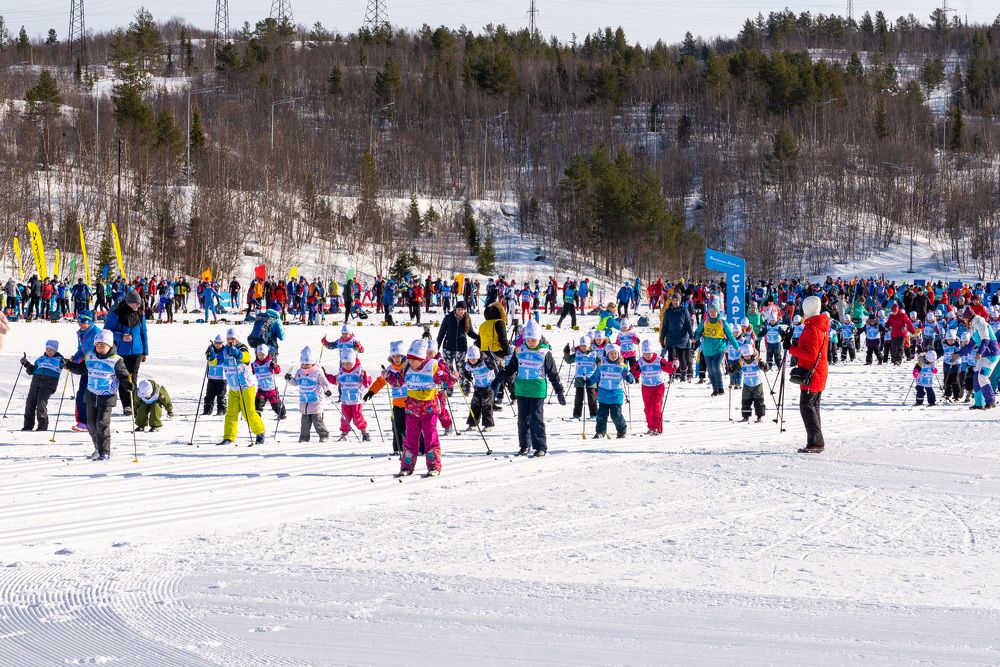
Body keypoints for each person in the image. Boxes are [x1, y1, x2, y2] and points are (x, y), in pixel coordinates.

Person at [493, 319, 566, 456]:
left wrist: (559, 390)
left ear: (539, 339)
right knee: (522, 420)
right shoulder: (519, 350)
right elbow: (511, 369)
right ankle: (524, 445)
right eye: (529, 339)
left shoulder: (545, 352)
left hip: (537, 390)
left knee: (536, 419)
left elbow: (553, 373)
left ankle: (540, 447)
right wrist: (499, 377)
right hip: (521, 389)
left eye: (534, 340)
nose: (531, 342)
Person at [65, 330, 133, 461]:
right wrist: (69, 365)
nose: (100, 348)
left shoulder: (116, 360)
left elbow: (124, 376)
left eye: (103, 345)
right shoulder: (90, 356)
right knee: (91, 425)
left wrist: (127, 384)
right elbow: (81, 370)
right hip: (91, 394)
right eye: (97, 345)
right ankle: (97, 447)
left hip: (107, 396)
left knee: (102, 423)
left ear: (110, 345)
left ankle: (104, 452)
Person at [788, 295, 829, 454]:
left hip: (812, 373)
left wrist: (791, 349)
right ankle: (814, 441)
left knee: (807, 406)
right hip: (818, 371)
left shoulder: (812, 328)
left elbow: (810, 354)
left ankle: (816, 442)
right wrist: (796, 344)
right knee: (813, 406)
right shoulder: (819, 325)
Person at [211, 329, 267, 446]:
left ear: (237, 340)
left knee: (248, 413)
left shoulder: (242, 348)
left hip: (246, 387)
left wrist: (237, 353)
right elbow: (216, 361)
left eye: (232, 339)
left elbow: (246, 358)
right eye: (228, 339)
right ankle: (229, 437)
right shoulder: (225, 350)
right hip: (234, 388)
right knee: (231, 413)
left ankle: (260, 432)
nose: (230, 341)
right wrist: (211, 357)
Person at [399, 339, 444, 476]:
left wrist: (450, 377)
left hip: (429, 408)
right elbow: (398, 380)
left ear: (422, 359)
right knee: (410, 437)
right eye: (411, 359)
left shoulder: (432, 365)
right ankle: (407, 466)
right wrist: (388, 376)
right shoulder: (407, 366)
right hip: (412, 408)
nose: (412, 362)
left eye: (415, 360)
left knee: (430, 436)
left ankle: (433, 466)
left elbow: (445, 379)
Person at [103, 290, 149, 416]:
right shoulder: (116, 314)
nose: (137, 306)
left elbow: (144, 333)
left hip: (136, 352)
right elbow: (107, 333)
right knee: (123, 378)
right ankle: (127, 405)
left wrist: (145, 351)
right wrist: (121, 336)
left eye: (139, 304)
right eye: (135, 304)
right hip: (120, 352)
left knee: (133, 378)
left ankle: (133, 404)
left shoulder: (140, 314)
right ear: (128, 302)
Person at [364, 341, 407, 455]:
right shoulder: (389, 369)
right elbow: (380, 381)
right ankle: (398, 448)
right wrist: (372, 391)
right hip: (397, 404)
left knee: (411, 428)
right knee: (396, 427)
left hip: (410, 403)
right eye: (394, 356)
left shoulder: (408, 366)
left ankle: (420, 448)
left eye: (398, 356)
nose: (396, 359)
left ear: (402, 356)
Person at [285, 346, 333, 442]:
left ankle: (324, 435)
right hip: (304, 402)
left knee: (317, 421)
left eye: (308, 364)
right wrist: (289, 379)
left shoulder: (317, 372)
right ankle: (304, 438)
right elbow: (296, 383)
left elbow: (324, 382)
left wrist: (327, 390)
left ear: (312, 363)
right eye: (303, 363)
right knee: (304, 422)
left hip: (316, 401)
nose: (305, 366)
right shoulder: (299, 372)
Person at [588, 343, 634, 439]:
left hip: (616, 394)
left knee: (616, 415)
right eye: (611, 353)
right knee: (601, 415)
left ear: (618, 354)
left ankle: (622, 431)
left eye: (615, 353)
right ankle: (600, 432)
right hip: (603, 394)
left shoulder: (621, 365)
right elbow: (596, 375)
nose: (613, 355)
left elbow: (630, 380)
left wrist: (625, 370)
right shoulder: (602, 364)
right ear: (607, 354)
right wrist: (588, 381)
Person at [693, 304, 740, 397]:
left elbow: (730, 335)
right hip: (707, 350)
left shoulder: (722, 322)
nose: (713, 313)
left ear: (718, 312)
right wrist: (695, 338)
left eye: (714, 311)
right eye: (711, 312)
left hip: (719, 348)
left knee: (715, 365)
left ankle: (720, 387)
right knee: (710, 370)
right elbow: (698, 331)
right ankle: (715, 389)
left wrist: (736, 345)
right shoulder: (705, 321)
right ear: (708, 312)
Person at [327, 348, 373, 441]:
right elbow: (335, 380)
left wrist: (366, 377)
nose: (346, 366)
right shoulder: (342, 371)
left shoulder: (359, 370)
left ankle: (365, 432)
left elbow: (367, 384)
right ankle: (344, 434)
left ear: (353, 361)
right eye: (344, 363)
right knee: (345, 418)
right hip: (345, 400)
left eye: (348, 363)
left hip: (357, 400)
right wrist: (326, 375)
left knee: (357, 417)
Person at [632, 339, 676, 435]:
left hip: (658, 387)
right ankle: (651, 427)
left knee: (656, 408)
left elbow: (669, 368)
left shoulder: (658, 360)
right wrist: (627, 374)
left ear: (653, 351)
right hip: (646, 388)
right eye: (645, 353)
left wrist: (674, 366)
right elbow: (634, 374)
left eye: (649, 353)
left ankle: (657, 428)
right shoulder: (640, 362)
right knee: (648, 409)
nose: (647, 355)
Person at [19, 339, 64, 432]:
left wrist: (69, 363)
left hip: (48, 385)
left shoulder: (60, 360)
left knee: (41, 404)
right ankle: (27, 426)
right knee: (29, 404)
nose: (49, 351)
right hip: (35, 383)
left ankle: (42, 426)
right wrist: (26, 364)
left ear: (56, 350)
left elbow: (69, 366)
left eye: (52, 350)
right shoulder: (40, 359)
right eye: (47, 349)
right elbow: (31, 371)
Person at [436, 300, 476, 394]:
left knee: (460, 368)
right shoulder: (448, 318)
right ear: (455, 309)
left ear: (465, 310)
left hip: (461, 347)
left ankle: (465, 387)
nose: (460, 311)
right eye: (459, 309)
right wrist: (436, 348)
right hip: (448, 347)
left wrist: (479, 338)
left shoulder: (467, 318)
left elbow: (470, 332)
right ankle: (448, 388)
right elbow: (441, 333)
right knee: (448, 368)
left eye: (462, 309)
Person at [660, 293, 694, 381]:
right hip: (671, 338)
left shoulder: (684, 310)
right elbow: (665, 326)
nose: (675, 302)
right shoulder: (668, 312)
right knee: (671, 357)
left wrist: (691, 335)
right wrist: (661, 338)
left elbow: (688, 324)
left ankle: (683, 375)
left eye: (677, 300)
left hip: (682, 338)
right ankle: (671, 375)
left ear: (680, 301)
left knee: (682, 357)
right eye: (674, 300)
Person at [564, 335, 598, 420]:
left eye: (585, 346)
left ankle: (594, 414)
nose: (583, 348)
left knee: (592, 398)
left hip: (591, 379)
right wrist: (566, 353)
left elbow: (600, 364)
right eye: (581, 346)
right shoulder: (577, 353)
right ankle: (576, 415)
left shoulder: (594, 354)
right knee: (578, 398)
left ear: (589, 345)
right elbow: (568, 360)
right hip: (579, 379)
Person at [462, 345, 496, 431]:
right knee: (475, 404)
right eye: (470, 359)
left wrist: (492, 360)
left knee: (486, 405)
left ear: (478, 357)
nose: (471, 361)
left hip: (488, 387)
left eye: (473, 359)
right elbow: (465, 370)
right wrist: (468, 376)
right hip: (478, 387)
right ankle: (472, 424)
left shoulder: (485, 362)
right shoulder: (468, 365)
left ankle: (488, 425)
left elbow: (493, 366)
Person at [252, 344, 286, 420]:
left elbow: (277, 371)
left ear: (266, 354)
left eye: (262, 354)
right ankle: (257, 414)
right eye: (259, 354)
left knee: (275, 404)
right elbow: (249, 371)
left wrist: (275, 367)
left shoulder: (270, 363)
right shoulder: (255, 364)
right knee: (258, 402)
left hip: (271, 389)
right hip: (261, 389)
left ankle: (281, 413)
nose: (260, 356)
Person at [736, 343, 769, 423]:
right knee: (745, 401)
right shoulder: (741, 361)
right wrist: (730, 369)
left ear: (751, 354)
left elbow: (766, 368)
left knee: (759, 401)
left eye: (748, 355)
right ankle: (746, 417)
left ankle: (759, 417)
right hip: (747, 385)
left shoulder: (757, 360)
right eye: (745, 355)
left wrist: (764, 365)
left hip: (757, 384)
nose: (746, 357)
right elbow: (735, 368)